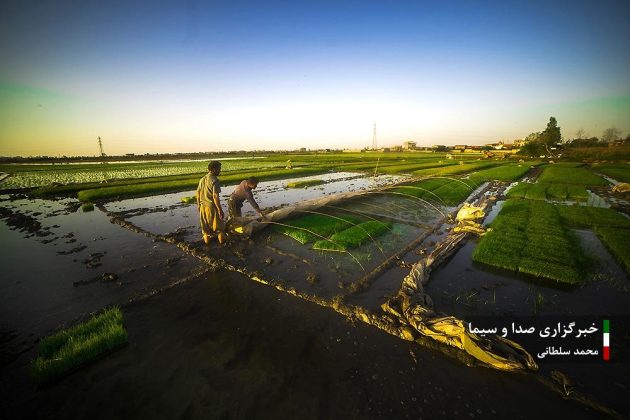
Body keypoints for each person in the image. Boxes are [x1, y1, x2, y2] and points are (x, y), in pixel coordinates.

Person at [196, 161, 226, 245]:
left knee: (206, 230)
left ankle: (207, 248)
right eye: (219, 169)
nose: (220, 171)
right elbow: (215, 196)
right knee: (220, 229)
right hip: (211, 207)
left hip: (203, 206)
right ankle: (222, 248)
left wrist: (198, 205)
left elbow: (198, 193)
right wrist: (220, 210)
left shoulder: (202, 179)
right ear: (214, 169)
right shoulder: (215, 180)